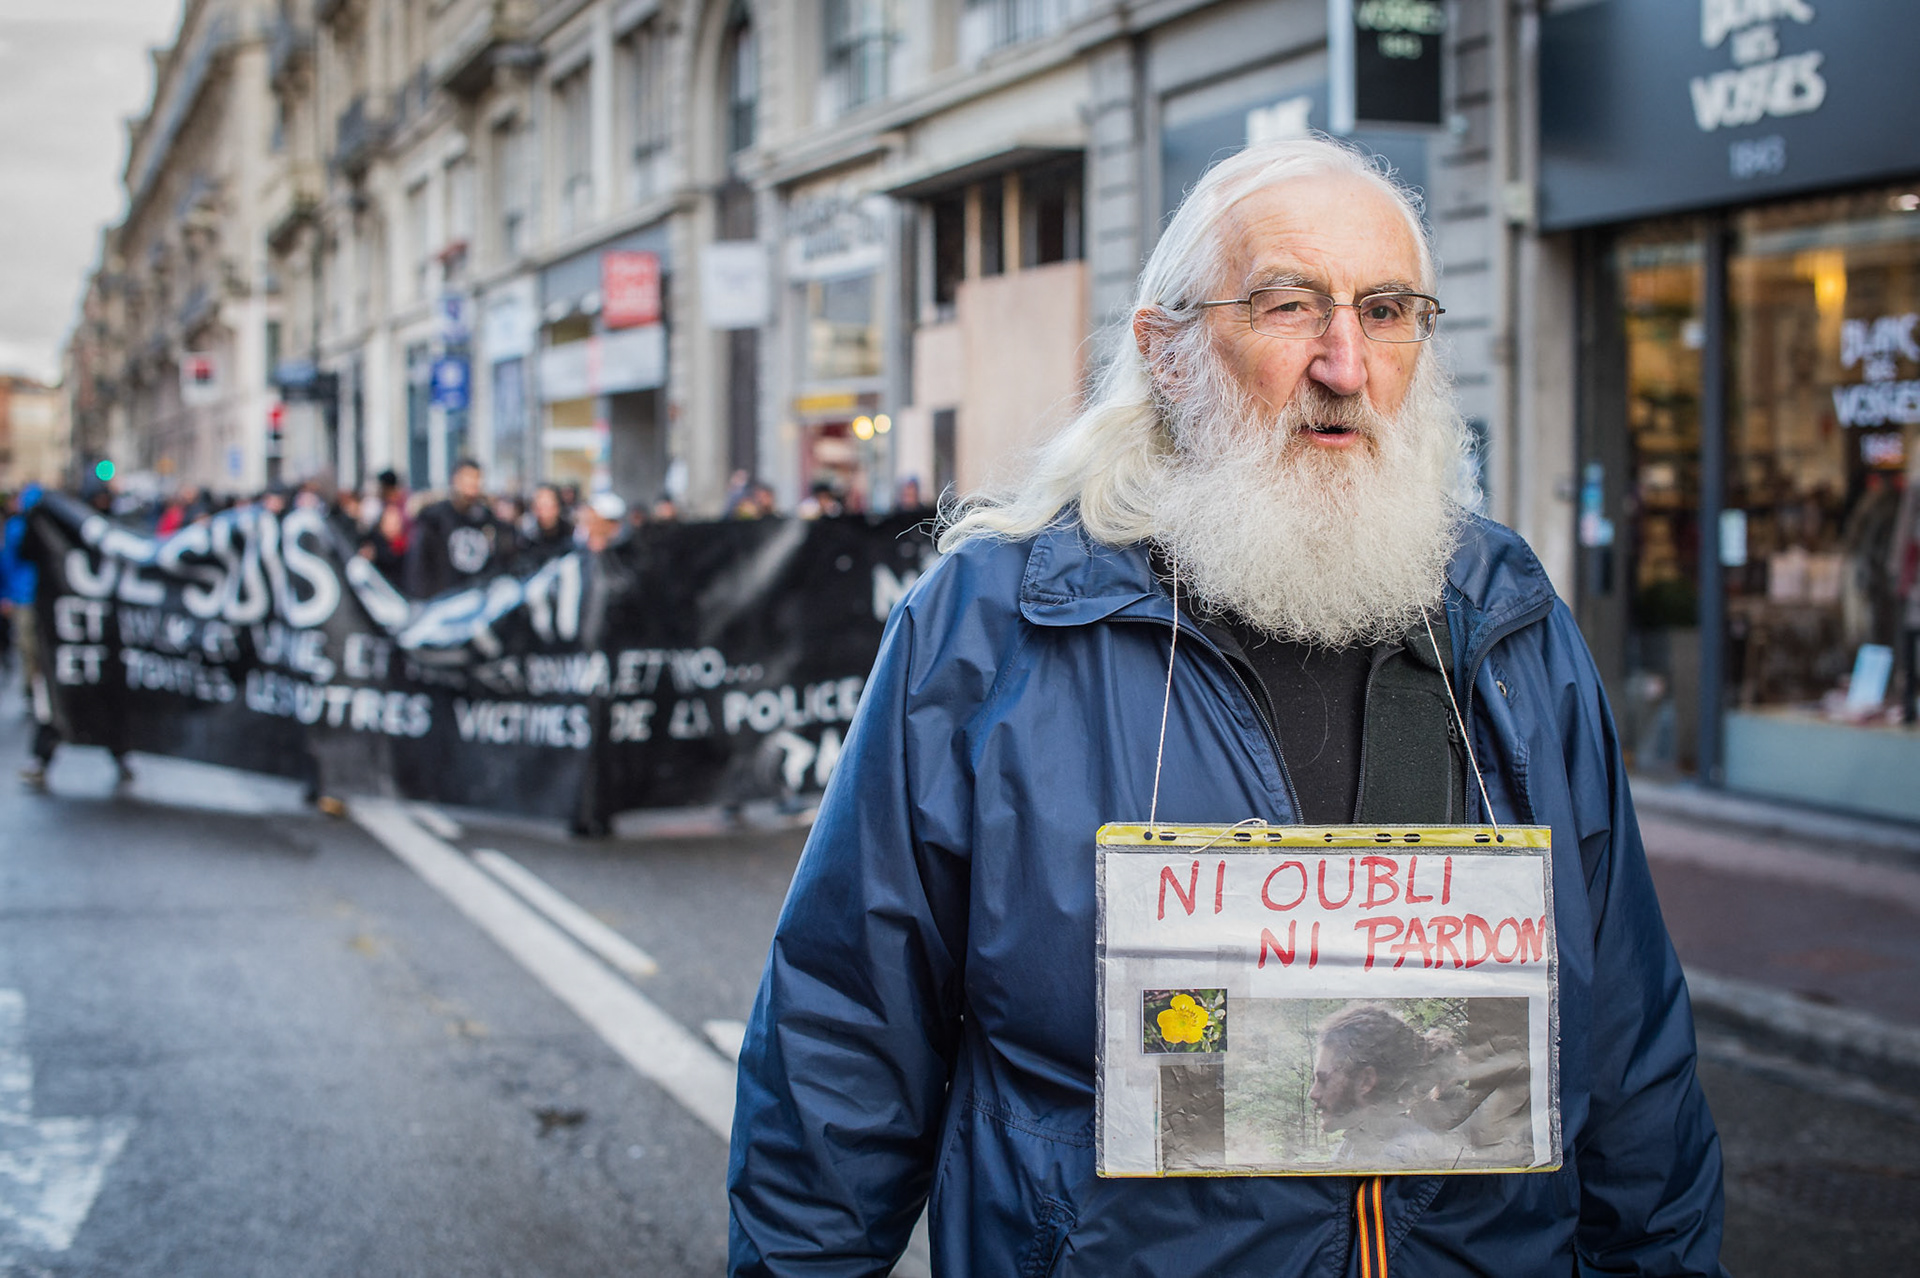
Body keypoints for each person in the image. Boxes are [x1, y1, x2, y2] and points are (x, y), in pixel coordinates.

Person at [729, 137, 1726, 1276]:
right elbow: (843, 1042)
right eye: (1289, 305)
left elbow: (1631, 1057)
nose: (1345, 362)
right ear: (1168, 352)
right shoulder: (988, 634)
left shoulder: (1508, 627)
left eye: (1388, 310)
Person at [1308, 1004, 1454, 1169]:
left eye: (1324, 1080)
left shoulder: (1402, 1156)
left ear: (1366, 1081)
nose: (1313, 1093)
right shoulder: (1355, 1144)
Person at [404, 458, 511, 597]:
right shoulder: (435, 518)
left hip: (477, 600)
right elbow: (420, 566)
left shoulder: (487, 519)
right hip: (443, 600)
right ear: (455, 480)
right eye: (467, 479)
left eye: (476, 479)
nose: (472, 485)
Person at [517, 483, 576, 570]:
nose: (542, 512)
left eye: (547, 506)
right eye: (538, 507)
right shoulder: (527, 539)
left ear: (557, 506)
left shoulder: (572, 536)